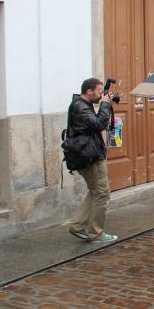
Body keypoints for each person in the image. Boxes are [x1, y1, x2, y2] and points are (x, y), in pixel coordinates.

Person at [66, 78, 117, 243]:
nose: (101, 95)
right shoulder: (80, 106)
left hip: (89, 153)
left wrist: (103, 103)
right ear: (89, 91)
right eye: (99, 91)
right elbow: (99, 123)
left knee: (95, 192)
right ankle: (97, 232)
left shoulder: (82, 104)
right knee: (102, 193)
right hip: (90, 157)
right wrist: (105, 104)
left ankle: (77, 225)